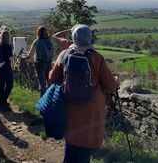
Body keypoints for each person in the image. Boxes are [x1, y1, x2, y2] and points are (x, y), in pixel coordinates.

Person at [48, 24, 119, 163]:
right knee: (84, 146)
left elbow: (51, 78)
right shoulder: (97, 57)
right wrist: (115, 83)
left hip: (70, 105)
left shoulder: (65, 54)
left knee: (71, 140)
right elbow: (110, 87)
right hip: (91, 108)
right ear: (89, 37)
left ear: (74, 37)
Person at [28, 26, 54, 96]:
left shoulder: (37, 41)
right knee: (49, 82)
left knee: (42, 84)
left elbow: (30, 53)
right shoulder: (49, 39)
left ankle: (42, 101)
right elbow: (52, 32)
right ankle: (49, 99)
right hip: (49, 63)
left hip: (39, 63)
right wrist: (48, 29)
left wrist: (32, 61)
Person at [0, 30, 14, 111]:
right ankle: (4, 100)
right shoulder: (8, 46)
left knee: (1, 83)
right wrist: (14, 56)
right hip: (6, 67)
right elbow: (10, 58)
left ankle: (2, 101)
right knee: (10, 84)